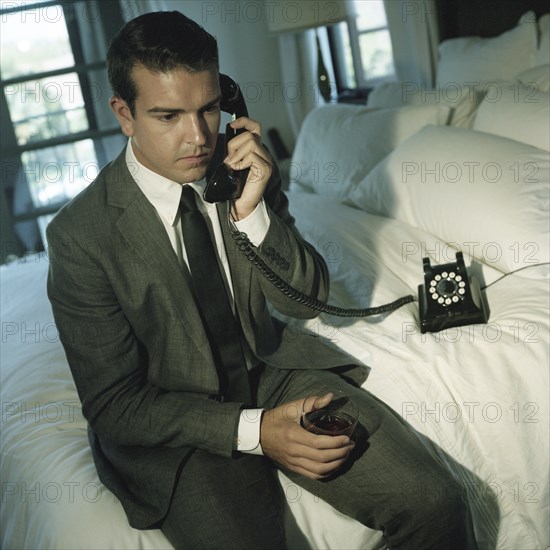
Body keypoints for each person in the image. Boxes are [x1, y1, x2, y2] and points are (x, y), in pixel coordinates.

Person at [47, 10, 478, 549]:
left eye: (208, 109)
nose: (197, 137)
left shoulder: (241, 171)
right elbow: (114, 405)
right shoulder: (78, 236)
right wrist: (257, 431)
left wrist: (253, 209)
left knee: (436, 503)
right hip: (176, 421)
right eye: (168, 116)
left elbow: (306, 299)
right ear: (124, 114)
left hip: (268, 370)